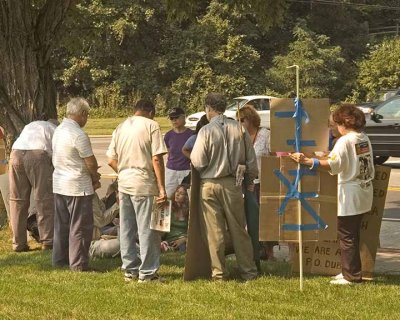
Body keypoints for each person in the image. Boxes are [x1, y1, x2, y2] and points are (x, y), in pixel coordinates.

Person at [290, 104, 374, 285]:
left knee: (346, 236)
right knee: (353, 234)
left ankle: (351, 277)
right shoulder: (362, 138)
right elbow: (346, 159)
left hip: (350, 194)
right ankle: (349, 271)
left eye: (334, 124)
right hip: (363, 190)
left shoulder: (344, 141)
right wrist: (327, 155)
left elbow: (334, 165)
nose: (332, 128)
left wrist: (308, 161)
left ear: (343, 123)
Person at [190, 92, 259, 281]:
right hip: (233, 184)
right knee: (239, 229)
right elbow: (251, 161)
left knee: (215, 231)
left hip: (210, 183)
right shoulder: (239, 129)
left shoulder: (205, 131)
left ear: (208, 109)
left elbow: (197, 160)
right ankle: (248, 271)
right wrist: (250, 180)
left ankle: (219, 273)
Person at [107, 99, 168, 283]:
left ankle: (129, 269)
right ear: (150, 111)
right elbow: (156, 159)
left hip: (124, 182)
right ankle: (148, 273)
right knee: (147, 229)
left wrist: (125, 172)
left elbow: (111, 159)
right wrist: (161, 187)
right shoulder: (152, 126)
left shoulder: (120, 127)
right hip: (143, 182)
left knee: (126, 228)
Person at [52, 97, 101, 272]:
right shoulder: (78, 134)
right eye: (86, 115)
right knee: (80, 227)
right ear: (82, 114)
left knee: (62, 225)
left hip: (60, 183)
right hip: (77, 185)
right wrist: (95, 177)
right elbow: (91, 163)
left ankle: (60, 259)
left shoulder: (58, 130)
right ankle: (79, 263)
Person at [9, 118, 58, 252]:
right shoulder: (56, 130)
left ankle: (18, 243)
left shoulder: (31, 126)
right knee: (44, 200)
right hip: (37, 155)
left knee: (17, 201)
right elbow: (58, 156)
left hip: (16, 153)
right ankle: (48, 241)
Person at [237, 104, 278, 263]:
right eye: (237, 121)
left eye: (242, 120)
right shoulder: (239, 137)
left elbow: (275, 157)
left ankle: (270, 252)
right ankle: (255, 250)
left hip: (265, 182)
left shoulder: (266, 134)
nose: (240, 123)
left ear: (251, 119)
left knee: (267, 217)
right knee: (251, 218)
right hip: (247, 183)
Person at [164, 107, 194, 198]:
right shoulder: (168, 135)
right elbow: (169, 153)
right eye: (171, 118)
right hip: (171, 171)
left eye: (176, 117)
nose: (174, 120)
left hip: (186, 170)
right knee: (169, 197)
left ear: (183, 117)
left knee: (188, 198)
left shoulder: (192, 134)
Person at [89, 181, 120, 259]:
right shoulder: (89, 197)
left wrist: (107, 198)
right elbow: (101, 221)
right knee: (124, 243)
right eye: (95, 171)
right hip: (90, 245)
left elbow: (101, 211)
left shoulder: (93, 194)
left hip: (98, 235)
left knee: (126, 232)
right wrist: (117, 204)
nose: (99, 175)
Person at [161, 184, 189, 252]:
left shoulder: (189, 212)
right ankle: (166, 247)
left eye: (181, 193)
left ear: (186, 197)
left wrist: (184, 239)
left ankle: (171, 249)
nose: (177, 194)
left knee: (183, 246)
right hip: (170, 240)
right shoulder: (169, 209)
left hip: (183, 240)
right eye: (177, 191)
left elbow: (194, 232)